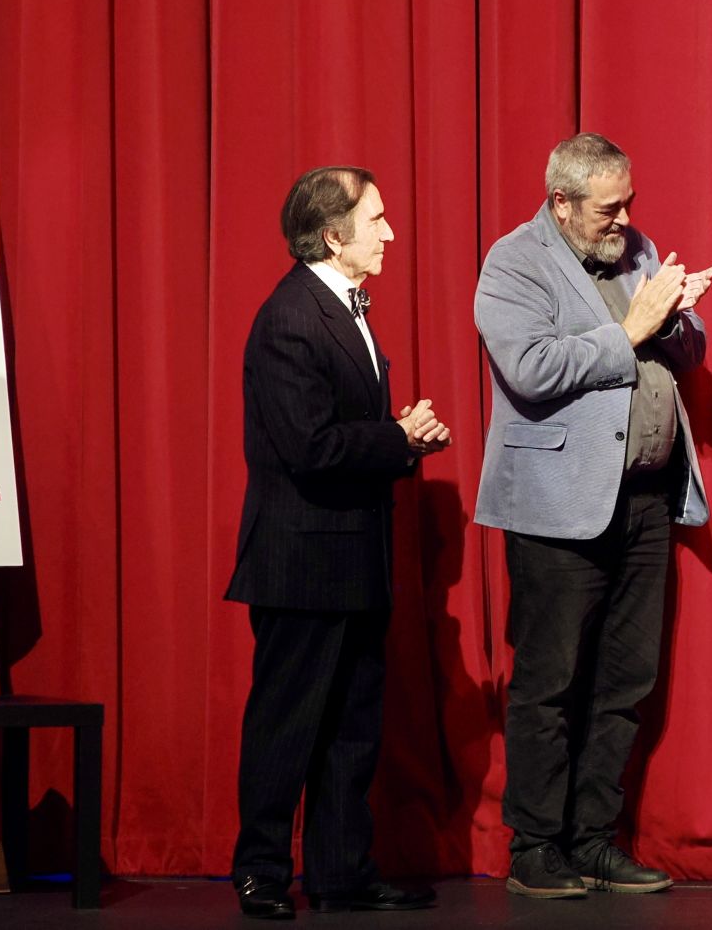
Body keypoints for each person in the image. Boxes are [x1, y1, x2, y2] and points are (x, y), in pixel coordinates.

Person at [473, 133, 712, 899]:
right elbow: (532, 367)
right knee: (550, 682)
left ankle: (593, 839)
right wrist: (634, 330)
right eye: (609, 208)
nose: (625, 220)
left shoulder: (633, 247)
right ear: (562, 204)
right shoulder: (513, 264)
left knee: (625, 679)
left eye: (629, 202)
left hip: (643, 500)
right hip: (557, 506)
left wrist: (673, 320)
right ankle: (535, 847)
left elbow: (686, 349)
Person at [225, 166, 451, 919]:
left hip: (353, 555)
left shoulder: (344, 307)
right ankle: (260, 870)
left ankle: (340, 872)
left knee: (353, 724)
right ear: (333, 234)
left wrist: (402, 441)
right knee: (288, 721)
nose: (390, 232)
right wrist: (396, 438)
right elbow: (309, 448)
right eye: (377, 219)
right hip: (301, 559)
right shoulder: (291, 319)